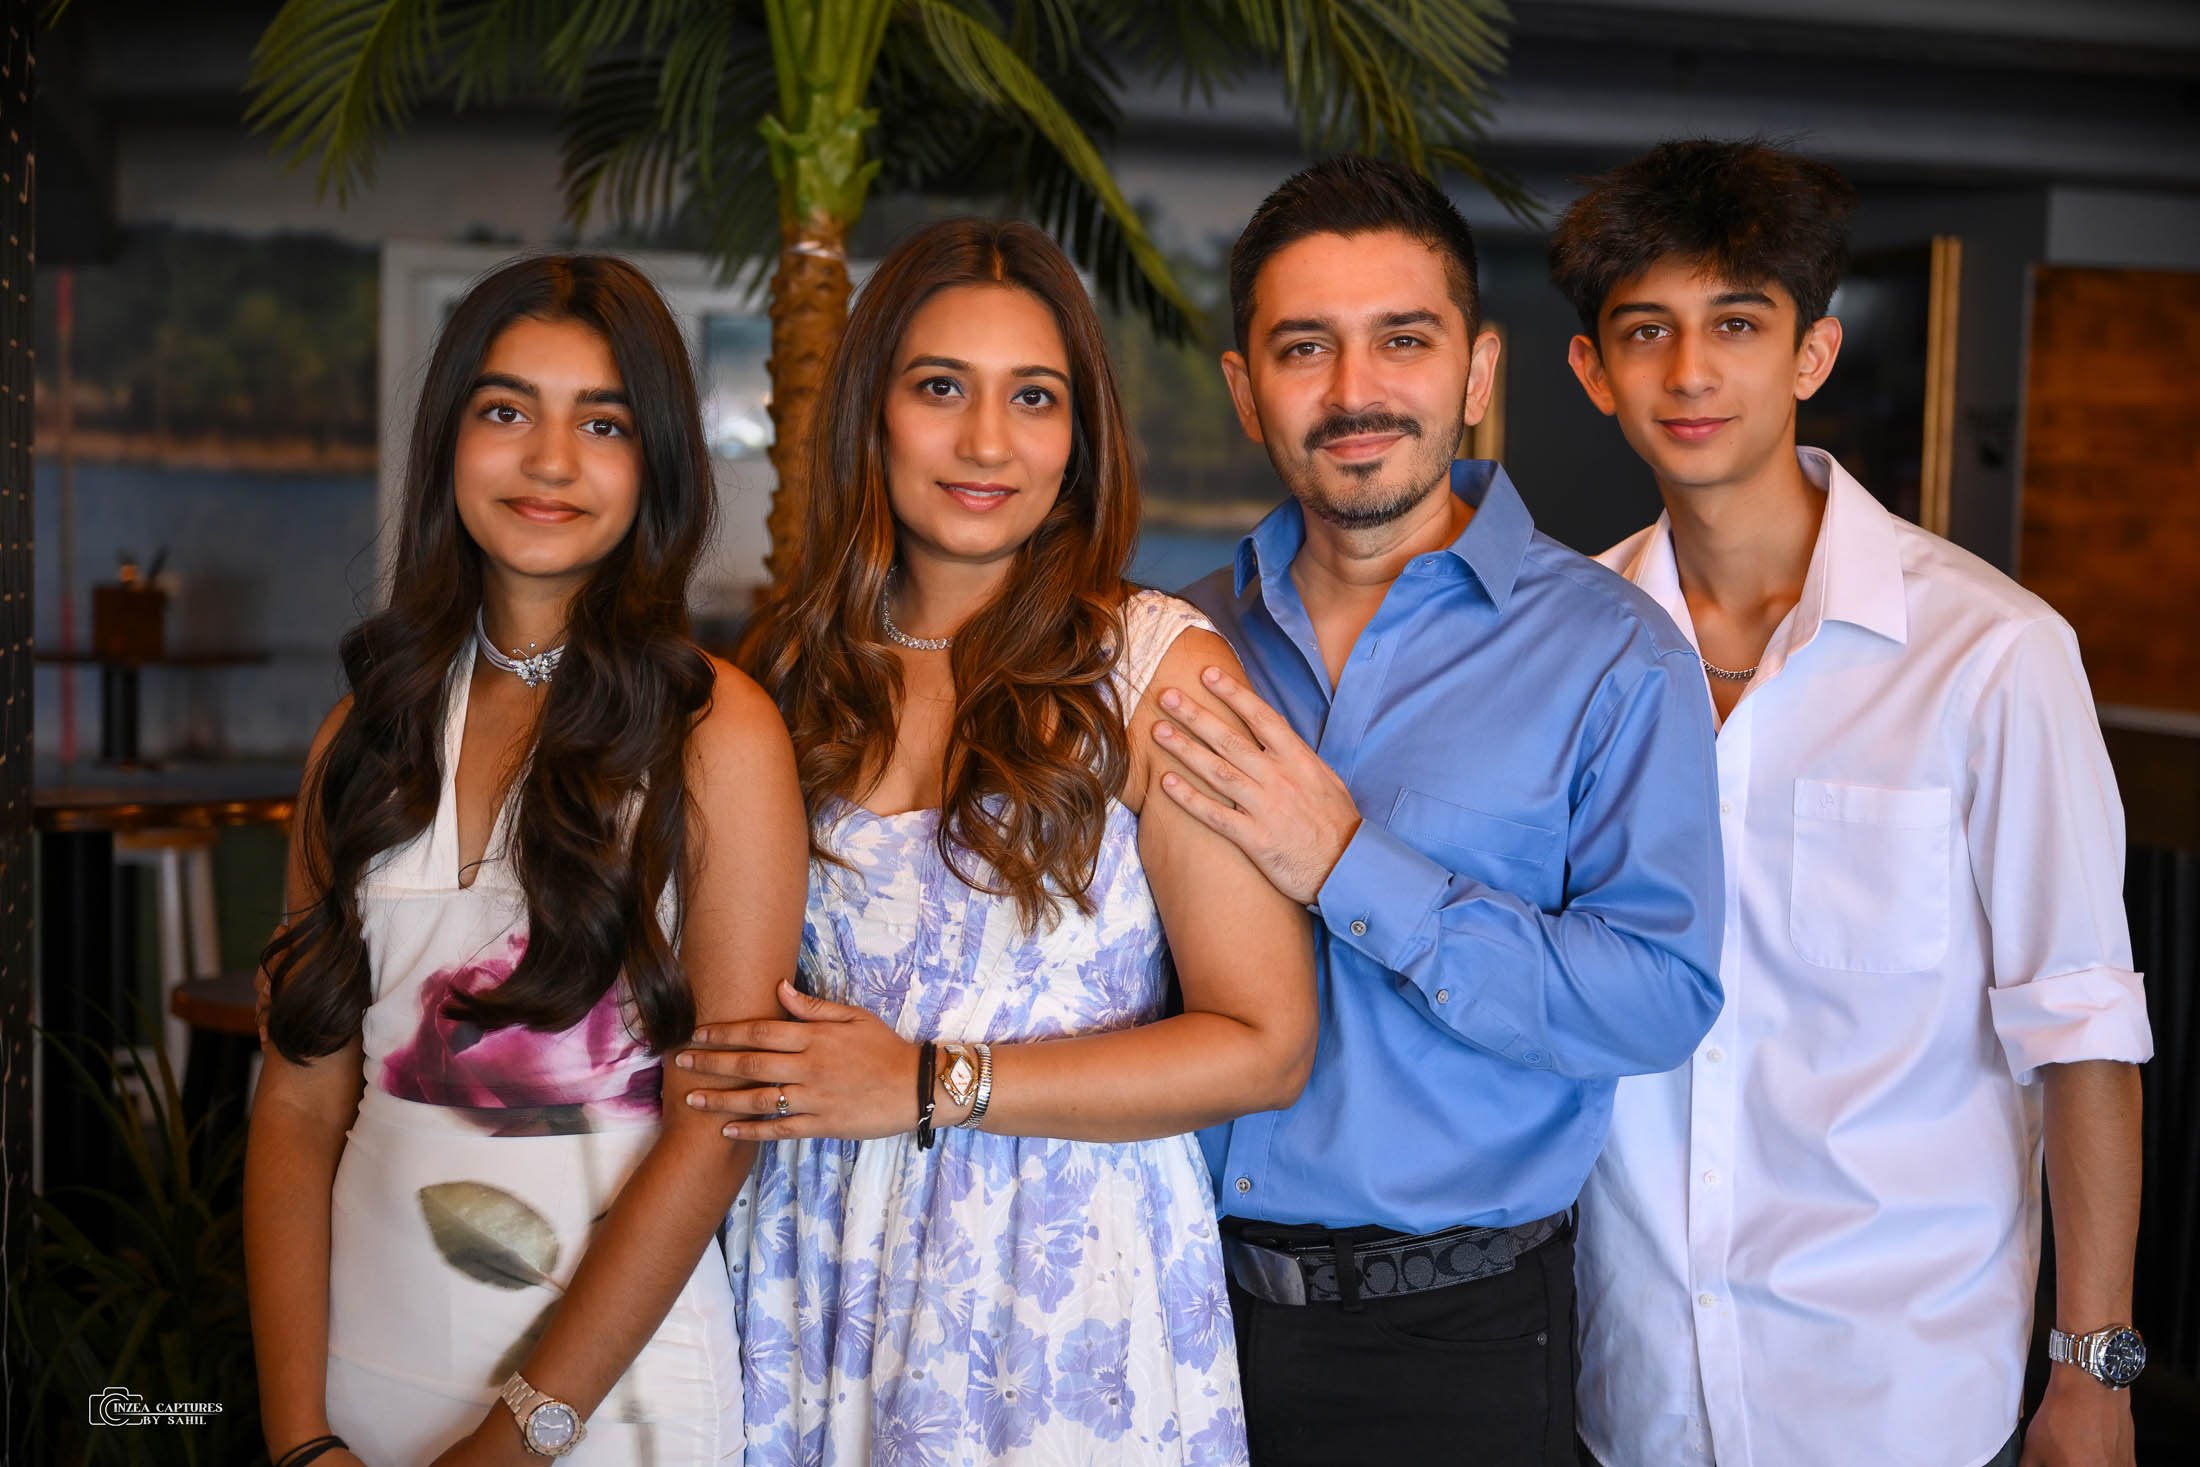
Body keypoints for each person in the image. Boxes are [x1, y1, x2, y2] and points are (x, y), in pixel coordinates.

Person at [673, 217, 1317, 1466]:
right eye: (939, 389)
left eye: (1033, 397)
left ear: (1079, 439)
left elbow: (1266, 1044)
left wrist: (928, 1082)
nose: (986, 442)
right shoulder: (793, 672)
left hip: (1060, 1287)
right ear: (871, 415)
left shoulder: (1155, 668)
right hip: (817, 1267)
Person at [1551, 138, 2155, 1467]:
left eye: (1736, 325)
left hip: (1901, 1394)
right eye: (1646, 331)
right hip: (1633, 1391)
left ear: (1811, 354)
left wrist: (2093, 1371)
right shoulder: (1563, 650)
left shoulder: (1992, 654)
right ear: (1594, 371)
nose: (1690, 372)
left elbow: (2084, 1031)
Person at [1140, 154, 1725, 1467]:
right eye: (1304, 348)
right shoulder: (1178, 642)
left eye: (1402, 340)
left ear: (1475, 370)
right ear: (1243, 387)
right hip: (1163, 1302)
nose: (1355, 391)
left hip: (1453, 1343)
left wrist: (1349, 862)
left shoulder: (1615, 654)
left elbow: (1658, 997)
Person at [245, 255, 808, 1467]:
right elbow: (294, 1105)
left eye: (602, 423)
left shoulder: (717, 733)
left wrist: (512, 1444)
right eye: (506, 411)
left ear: (656, 464)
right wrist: (298, 1440)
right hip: (357, 1382)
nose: (549, 461)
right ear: (449, 441)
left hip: (611, 1408)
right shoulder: (363, 735)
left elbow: (719, 1128)